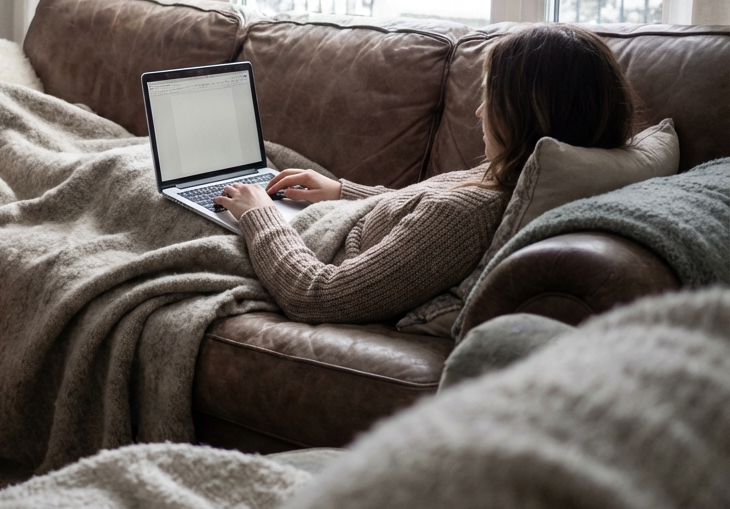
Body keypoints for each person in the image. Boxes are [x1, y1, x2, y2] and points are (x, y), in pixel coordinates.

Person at [214, 24, 636, 325]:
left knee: (162, 184)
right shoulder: (511, 176)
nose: (477, 112)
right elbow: (413, 209)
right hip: (327, 218)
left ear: (525, 115)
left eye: (489, 98)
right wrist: (342, 190)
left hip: (297, 247)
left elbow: (317, 296)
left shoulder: (465, 217)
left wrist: (260, 216)